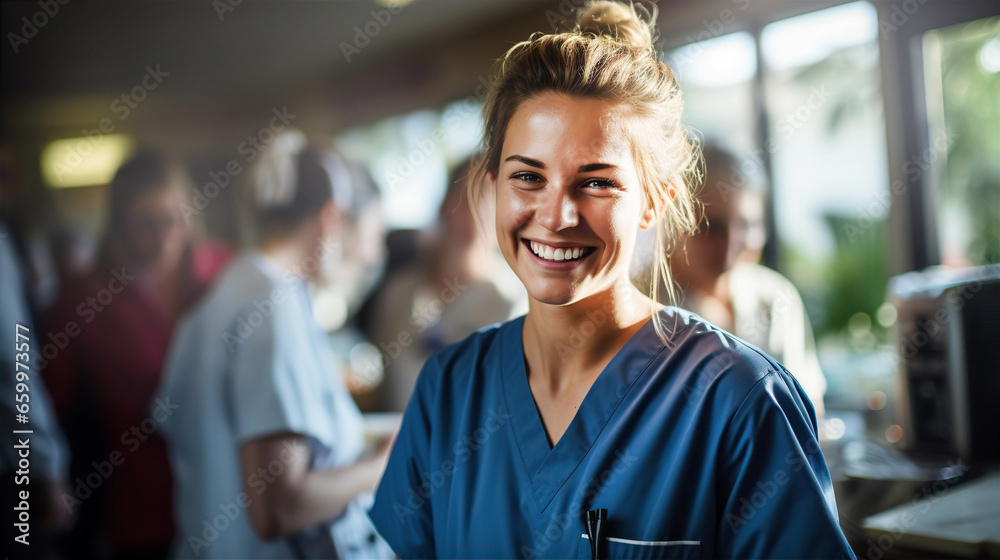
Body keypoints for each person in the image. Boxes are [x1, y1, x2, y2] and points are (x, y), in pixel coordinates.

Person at [367, 2, 855, 558]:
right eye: (528, 177)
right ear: (494, 186)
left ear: (655, 202)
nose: (556, 216)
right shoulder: (449, 392)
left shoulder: (737, 403)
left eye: (595, 184)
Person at [155, 130, 392, 559]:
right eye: (373, 236)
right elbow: (278, 507)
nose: (372, 258)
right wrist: (382, 467)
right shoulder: (273, 307)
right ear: (331, 218)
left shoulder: (227, 293)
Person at [42, 152, 232, 559]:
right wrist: (43, 477)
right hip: (141, 505)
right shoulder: (84, 298)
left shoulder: (222, 272)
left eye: (175, 219)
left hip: (230, 495)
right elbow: (42, 403)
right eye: (146, 224)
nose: (164, 236)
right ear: (119, 223)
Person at [668, 144, 828, 415]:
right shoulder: (637, 306)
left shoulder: (776, 298)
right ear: (673, 219)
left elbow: (807, 413)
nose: (731, 246)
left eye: (747, 225)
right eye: (711, 226)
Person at [366, 156, 527, 412]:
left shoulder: (512, 302)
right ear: (444, 202)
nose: (476, 206)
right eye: (466, 193)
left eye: (490, 196)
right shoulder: (398, 292)